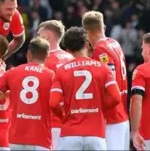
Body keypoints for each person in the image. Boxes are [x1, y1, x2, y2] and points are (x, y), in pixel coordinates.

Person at [49, 27, 121, 150]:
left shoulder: (61, 71)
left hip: (70, 134)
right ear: (87, 44)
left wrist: (63, 116)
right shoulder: (103, 68)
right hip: (96, 134)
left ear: (67, 50)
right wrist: (99, 108)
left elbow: (53, 103)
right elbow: (116, 97)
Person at [0, 37, 54, 150]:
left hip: (15, 139)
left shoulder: (13, 72)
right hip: (41, 140)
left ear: (29, 54)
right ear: (47, 56)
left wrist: (10, 92)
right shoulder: (52, 76)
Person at [81, 11, 129, 150]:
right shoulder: (114, 43)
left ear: (86, 32)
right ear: (104, 27)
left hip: (111, 117)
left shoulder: (100, 51)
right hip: (122, 114)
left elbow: (108, 83)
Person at [37, 20, 73, 149]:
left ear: (47, 35)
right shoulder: (71, 58)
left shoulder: (44, 60)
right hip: (71, 121)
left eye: (39, 34)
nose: (37, 38)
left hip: (50, 122)